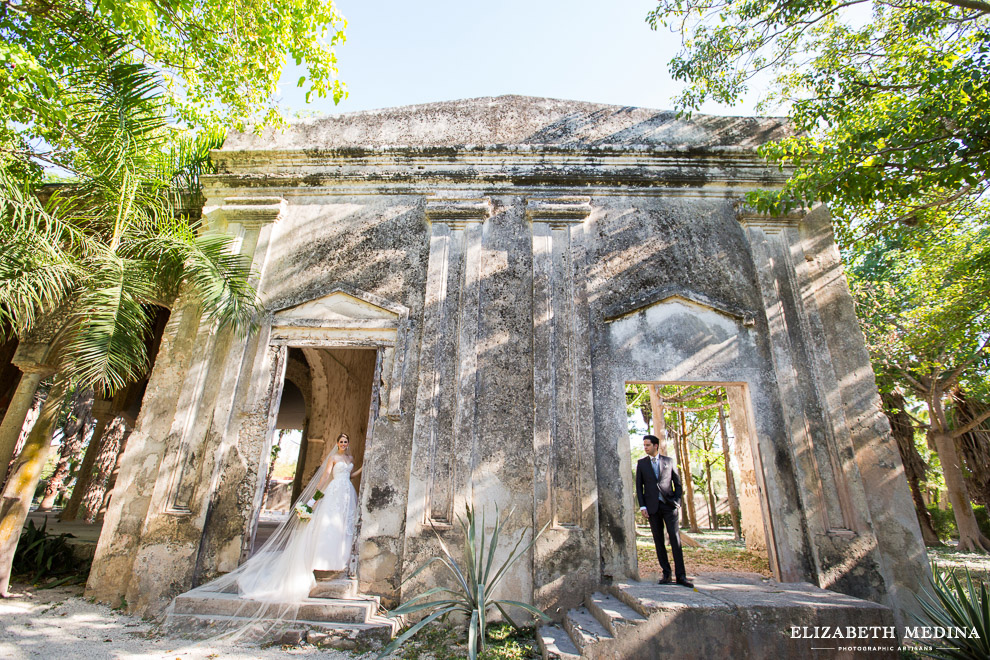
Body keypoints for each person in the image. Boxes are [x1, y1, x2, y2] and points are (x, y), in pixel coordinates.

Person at [167, 432, 362, 641]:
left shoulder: (349, 460)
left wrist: (363, 466)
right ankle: (319, 561)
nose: (343, 444)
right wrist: (313, 500)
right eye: (340, 441)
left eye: (345, 441)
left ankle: (337, 561)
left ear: (348, 443)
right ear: (337, 443)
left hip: (346, 491)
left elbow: (350, 475)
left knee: (343, 525)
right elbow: (325, 478)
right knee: (326, 526)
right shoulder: (333, 458)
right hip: (333, 492)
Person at [636, 434, 693, 587]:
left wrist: (677, 502)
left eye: (648, 445)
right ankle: (666, 573)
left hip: (669, 506)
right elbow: (639, 487)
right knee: (658, 541)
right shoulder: (641, 464)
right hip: (652, 508)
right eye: (644, 445)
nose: (645, 448)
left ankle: (681, 576)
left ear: (656, 446)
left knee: (675, 540)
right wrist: (643, 506)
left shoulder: (669, 462)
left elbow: (678, 484)